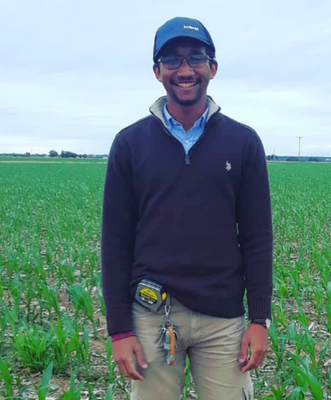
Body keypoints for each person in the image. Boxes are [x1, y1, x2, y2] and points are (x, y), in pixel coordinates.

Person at [101, 16, 273, 400]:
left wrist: (259, 319)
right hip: (151, 317)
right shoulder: (129, 145)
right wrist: (119, 330)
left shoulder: (243, 143)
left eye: (195, 58)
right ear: (156, 71)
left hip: (223, 320)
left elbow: (258, 237)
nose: (184, 70)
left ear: (212, 68)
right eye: (172, 60)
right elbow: (115, 243)